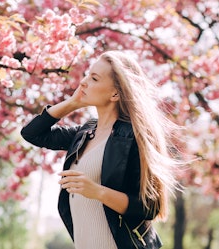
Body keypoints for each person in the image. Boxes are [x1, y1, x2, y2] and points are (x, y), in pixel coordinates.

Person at [21, 50, 183, 249]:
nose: (84, 82)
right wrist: (72, 103)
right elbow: (32, 134)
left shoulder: (132, 136)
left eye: (94, 78)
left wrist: (97, 191)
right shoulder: (84, 133)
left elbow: (150, 206)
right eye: (87, 74)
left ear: (115, 93)